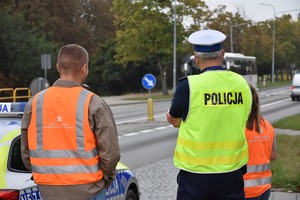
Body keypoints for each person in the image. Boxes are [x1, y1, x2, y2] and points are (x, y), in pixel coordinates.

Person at [21, 44, 120, 200]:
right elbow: (111, 153)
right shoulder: (93, 103)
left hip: (48, 190)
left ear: (57, 67)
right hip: (89, 190)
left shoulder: (35, 103)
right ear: (84, 68)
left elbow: (26, 152)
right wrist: (105, 178)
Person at [166, 29, 252, 200]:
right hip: (231, 173)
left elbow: (173, 117)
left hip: (195, 175)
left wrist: (178, 122)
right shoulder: (241, 84)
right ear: (223, 53)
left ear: (196, 59)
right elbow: (245, 116)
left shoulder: (188, 86)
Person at [244, 85, 276, 200]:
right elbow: (272, 156)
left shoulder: (240, 128)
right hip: (265, 188)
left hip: (245, 190)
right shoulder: (269, 127)